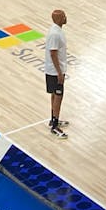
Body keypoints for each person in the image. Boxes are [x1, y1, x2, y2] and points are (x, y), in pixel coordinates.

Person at [44, 9, 71, 138]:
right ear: (58, 19)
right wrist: (59, 73)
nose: (66, 17)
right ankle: (55, 126)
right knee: (58, 96)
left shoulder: (57, 30)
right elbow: (53, 53)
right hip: (55, 72)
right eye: (63, 16)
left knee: (55, 95)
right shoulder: (55, 34)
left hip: (54, 70)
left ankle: (54, 118)